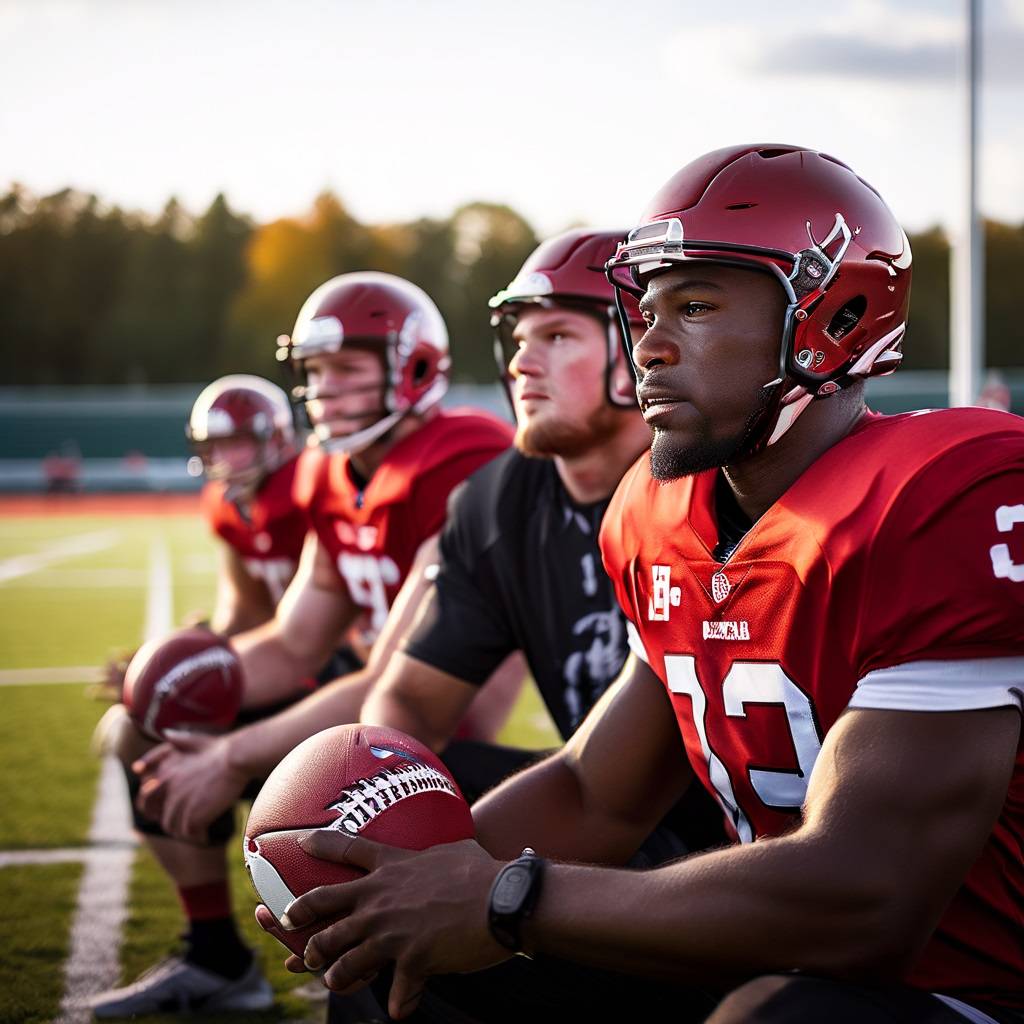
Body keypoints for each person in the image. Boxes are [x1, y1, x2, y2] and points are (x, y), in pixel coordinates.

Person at [259, 146, 1024, 1024]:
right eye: (646, 310)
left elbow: (866, 897)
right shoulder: (660, 514)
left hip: (965, 988)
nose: (649, 346)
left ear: (835, 318)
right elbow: (595, 794)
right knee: (400, 961)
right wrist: (395, 885)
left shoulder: (944, 501)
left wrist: (505, 899)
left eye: (694, 307)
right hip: (776, 951)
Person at [90, 272, 512, 1018]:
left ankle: (371, 956)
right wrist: (179, 680)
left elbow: (399, 681)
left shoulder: (462, 456)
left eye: (348, 367)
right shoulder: (326, 471)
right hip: (374, 712)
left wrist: (231, 757)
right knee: (144, 723)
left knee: (290, 772)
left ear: (414, 366)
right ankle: (218, 958)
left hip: (437, 725)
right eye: (315, 371)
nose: (326, 389)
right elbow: (291, 641)